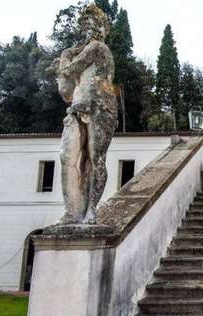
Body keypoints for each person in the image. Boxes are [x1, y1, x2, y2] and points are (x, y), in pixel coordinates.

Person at [49, 4, 117, 225]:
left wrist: (63, 60)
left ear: (100, 29)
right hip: (77, 108)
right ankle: (73, 211)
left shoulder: (98, 48)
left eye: (90, 25)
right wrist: (64, 63)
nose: (85, 31)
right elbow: (66, 93)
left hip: (101, 108)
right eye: (83, 26)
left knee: (95, 159)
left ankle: (91, 211)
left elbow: (71, 68)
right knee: (67, 157)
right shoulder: (77, 52)